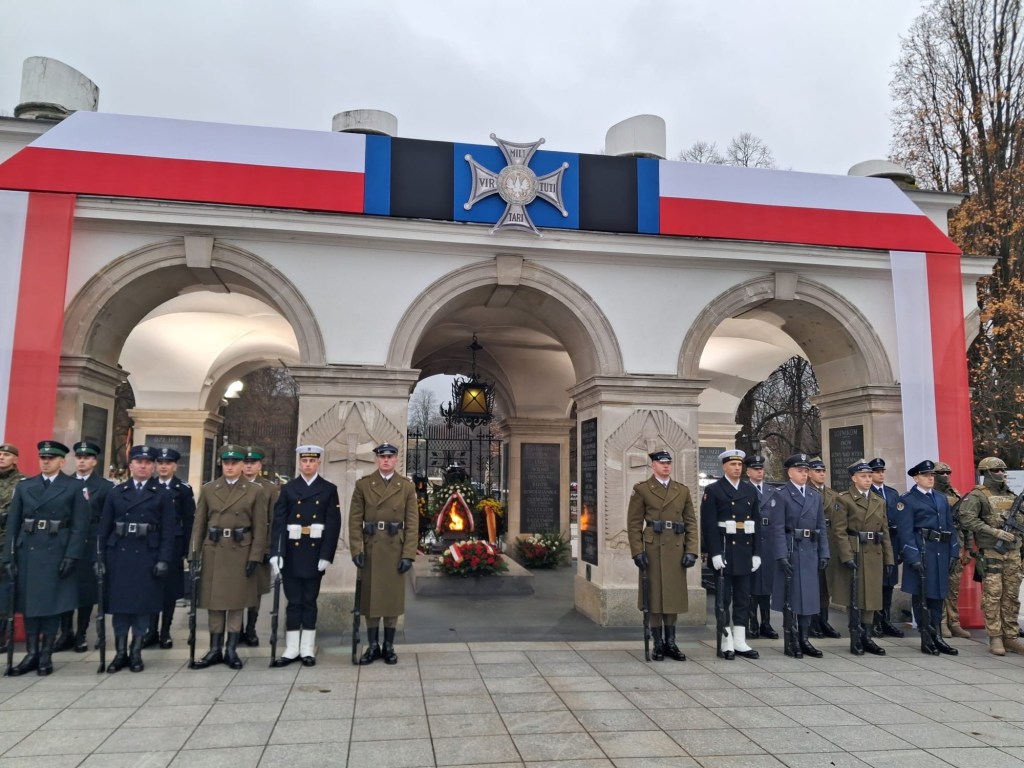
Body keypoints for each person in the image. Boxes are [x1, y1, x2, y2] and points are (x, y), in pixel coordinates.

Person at [4, 441, 90, 676]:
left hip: (57, 551)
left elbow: (79, 527)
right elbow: (13, 524)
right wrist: (8, 557)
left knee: (52, 606)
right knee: (30, 606)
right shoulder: (25, 486)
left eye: (51, 458)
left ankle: (45, 656)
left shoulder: (73, 487)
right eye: (43, 458)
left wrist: (72, 555)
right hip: (28, 551)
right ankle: (31, 654)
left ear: (62, 461)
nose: (46, 461)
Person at [189, 444, 269, 670]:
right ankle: (215, 648)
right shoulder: (209, 489)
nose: (230, 467)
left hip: (240, 549)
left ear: (244, 465)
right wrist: (193, 554)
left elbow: (260, 527)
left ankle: (231, 649)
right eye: (227, 463)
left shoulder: (255, 491)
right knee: (214, 602)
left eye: (235, 463)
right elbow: (199, 524)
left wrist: (256, 555)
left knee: (235, 603)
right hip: (214, 549)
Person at [97, 445, 176, 673]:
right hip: (119, 554)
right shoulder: (116, 492)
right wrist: (99, 557)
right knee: (120, 607)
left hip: (147, 555)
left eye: (147, 462)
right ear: (130, 465)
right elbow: (104, 528)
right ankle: (120, 652)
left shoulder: (163, 494)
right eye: (138, 461)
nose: (143, 465)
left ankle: (136, 651)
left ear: (152, 466)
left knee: (142, 607)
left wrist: (164, 559)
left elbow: (168, 532)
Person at [269, 444, 340, 667]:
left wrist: (326, 554)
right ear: (299, 463)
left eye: (312, 461)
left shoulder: (328, 489)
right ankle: (291, 648)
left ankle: (307, 648)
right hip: (292, 552)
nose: (307, 464)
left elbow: (333, 524)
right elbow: (279, 523)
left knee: (309, 601)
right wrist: (277, 553)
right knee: (293, 602)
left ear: (318, 463)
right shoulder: (289, 488)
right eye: (304, 461)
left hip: (313, 553)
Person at [349, 442, 419, 665]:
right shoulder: (364, 485)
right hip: (371, 547)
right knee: (370, 598)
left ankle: (389, 646)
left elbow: (412, 522)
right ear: (376, 460)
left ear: (396, 459)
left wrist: (408, 554)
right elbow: (354, 520)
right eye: (382, 457)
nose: (386, 460)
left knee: (391, 598)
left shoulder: (406, 487)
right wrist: (356, 549)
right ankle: (372, 646)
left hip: (394, 548)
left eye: (390, 457)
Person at [626, 449, 699, 662]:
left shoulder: (681, 490)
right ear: (653, 466)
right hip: (653, 548)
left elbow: (691, 522)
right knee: (655, 596)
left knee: (673, 596)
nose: (666, 466)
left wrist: (692, 550)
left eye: (668, 463)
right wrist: (637, 551)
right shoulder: (642, 490)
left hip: (675, 547)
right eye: (661, 463)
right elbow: (634, 524)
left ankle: (671, 642)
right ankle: (658, 642)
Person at [957, 456, 1023, 655]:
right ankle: (995, 636)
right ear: (986, 473)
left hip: (1013, 552)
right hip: (992, 551)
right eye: (996, 470)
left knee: (1011, 595)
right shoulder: (977, 496)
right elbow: (966, 519)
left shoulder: (1012, 496)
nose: (1001, 473)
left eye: (1003, 470)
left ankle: (1010, 636)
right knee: (993, 595)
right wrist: (994, 532)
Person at [895, 459, 960, 656]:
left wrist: (953, 552)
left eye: (932, 476)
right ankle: (926, 637)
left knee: (938, 596)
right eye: (926, 475)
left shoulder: (940, 498)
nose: (930, 479)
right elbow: (905, 532)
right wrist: (913, 556)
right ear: (916, 478)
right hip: (922, 551)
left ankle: (938, 635)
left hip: (940, 551)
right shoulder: (907, 500)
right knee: (922, 597)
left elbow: (950, 527)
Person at [700, 449, 760, 660]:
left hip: (744, 549)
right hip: (725, 548)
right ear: (724, 467)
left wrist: (756, 553)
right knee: (724, 599)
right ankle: (726, 640)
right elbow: (708, 525)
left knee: (743, 597)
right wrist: (713, 552)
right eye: (733, 465)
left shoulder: (749, 490)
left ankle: (740, 640)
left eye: (739, 465)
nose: (737, 468)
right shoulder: (714, 490)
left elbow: (757, 522)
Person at [54, 441, 113, 654]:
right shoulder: (64, 483)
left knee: (86, 591)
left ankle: (81, 634)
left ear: (94, 461)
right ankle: (66, 632)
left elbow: (107, 519)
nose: (82, 461)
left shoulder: (105, 487)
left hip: (90, 541)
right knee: (65, 588)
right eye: (79, 457)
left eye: (87, 458)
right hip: (66, 542)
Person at [831, 459, 894, 656]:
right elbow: (839, 531)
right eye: (863, 476)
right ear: (853, 478)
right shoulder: (844, 499)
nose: (868, 480)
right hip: (856, 550)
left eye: (869, 476)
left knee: (872, 598)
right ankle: (855, 635)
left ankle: (867, 636)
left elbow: (885, 532)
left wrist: (889, 558)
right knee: (855, 597)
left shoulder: (879, 501)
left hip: (874, 552)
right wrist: (846, 555)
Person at [769, 453, 829, 658]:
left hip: (810, 550)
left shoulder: (814, 495)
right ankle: (791, 639)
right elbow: (776, 528)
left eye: (806, 471)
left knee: (810, 599)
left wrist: (824, 553)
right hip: (792, 549)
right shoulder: (781, 494)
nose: (804, 475)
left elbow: (821, 526)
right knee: (792, 598)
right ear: (790, 472)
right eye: (800, 471)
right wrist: (781, 555)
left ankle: (805, 639)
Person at [140, 447, 195, 649]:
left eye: (168, 463)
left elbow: (189, 521)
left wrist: (189, 550)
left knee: (169, 590)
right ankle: (151, 630)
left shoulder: (183, 489)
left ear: (175, 466)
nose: (164, 467)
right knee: (151, 587)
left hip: (174, 543)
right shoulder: (148, 486)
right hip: (150, 543)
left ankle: (165, 631)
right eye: (160, 463)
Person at [241, 446, 279, 647]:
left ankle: (251, 628)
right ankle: (236, 628)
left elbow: (274, 521)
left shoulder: (270, 488)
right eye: (246, 462)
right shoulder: (234, 485)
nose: (248, 466)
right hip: (237, 547)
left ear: (259, 465)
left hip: (260, 545)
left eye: (252, 463)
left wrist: (269, 549)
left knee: (255, 590)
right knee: (236, 589)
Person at [744, 454, 780, 639]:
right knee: (752, 585)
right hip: (750, 541)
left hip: (769, 542)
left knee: (766, 585)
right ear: (748, 471)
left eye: (761, 469)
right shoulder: (743, 489)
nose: (760, 472)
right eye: (756, 469)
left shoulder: (772, 491)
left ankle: (766, 622)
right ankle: (753, 622)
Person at [868, 458, 904, 638]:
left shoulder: (892, 493)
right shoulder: (868, 493)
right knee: (877, 583)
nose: (880, 474)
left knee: (889, 583)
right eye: (876, 472)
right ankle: (875, 620)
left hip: (893, 543)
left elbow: (899, 518)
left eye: (882, 471)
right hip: (876, 543)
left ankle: (886, 620)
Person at [935, 461, 971, 640]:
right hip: (939, 545)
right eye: (942, 473)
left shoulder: (956, 494)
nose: (947, 476)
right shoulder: (931, 495)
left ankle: (954, 621)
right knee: (940, 585)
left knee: (953, 586)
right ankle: (941, 622)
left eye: (948, 472)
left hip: (956, 544)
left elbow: (965, 523)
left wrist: (969, 547)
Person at [808, 458, 842, 639]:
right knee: (813, 584)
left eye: (823, 471)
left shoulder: (833, 495)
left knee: (826, 584)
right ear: (810, 473)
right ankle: (812, 622)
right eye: (818, 471)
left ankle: (824, 620)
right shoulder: (806, 491)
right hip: (811, 541)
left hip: (828, 542)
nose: (821, 474)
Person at [0, 443, 26, 651]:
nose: (1, 457)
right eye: (0, 454)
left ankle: (2, 635)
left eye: (7, 454)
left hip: (6, 542)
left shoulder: (23, 483)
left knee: (5, 590)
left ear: (15, 459)